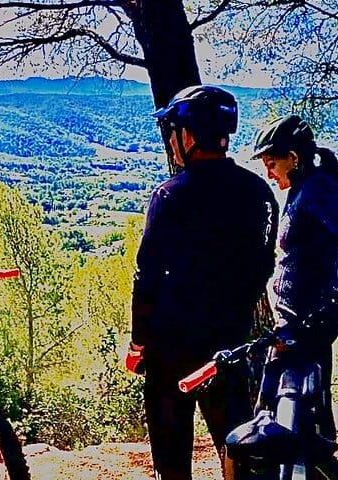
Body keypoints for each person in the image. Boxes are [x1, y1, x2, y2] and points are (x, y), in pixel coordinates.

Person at [127, 85, 279, 480]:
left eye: (173, 132)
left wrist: (139, 342)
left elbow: (147, 277)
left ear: (189, 136)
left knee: (172, 458)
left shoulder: (170, 196)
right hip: (230, 346)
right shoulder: (260, 193)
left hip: (170, 350)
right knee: (239, 452)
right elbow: (262, 267)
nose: (171, 142)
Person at [250, 114, 338, 444]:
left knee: (287, 402)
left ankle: (316, 460)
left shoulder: (317, 189)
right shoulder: (302, 189)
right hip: (295, 315)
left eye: (272, 164)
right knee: (295, 400)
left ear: (293, 157)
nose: (269, 173)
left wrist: (336, 294)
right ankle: (315, 458)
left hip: (309, 317)